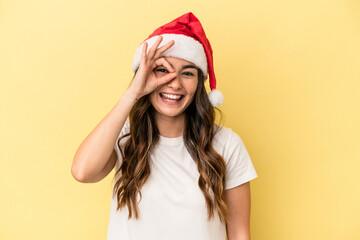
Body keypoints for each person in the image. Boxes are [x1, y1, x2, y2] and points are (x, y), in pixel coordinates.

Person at [71, 12, 258, 240]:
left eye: (187, 73)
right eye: (162, 70)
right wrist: (133, 93)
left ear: (199, 83)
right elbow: (82, 172)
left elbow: (239, 233)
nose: (175, 83)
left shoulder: (226, 144)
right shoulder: (123, 136)